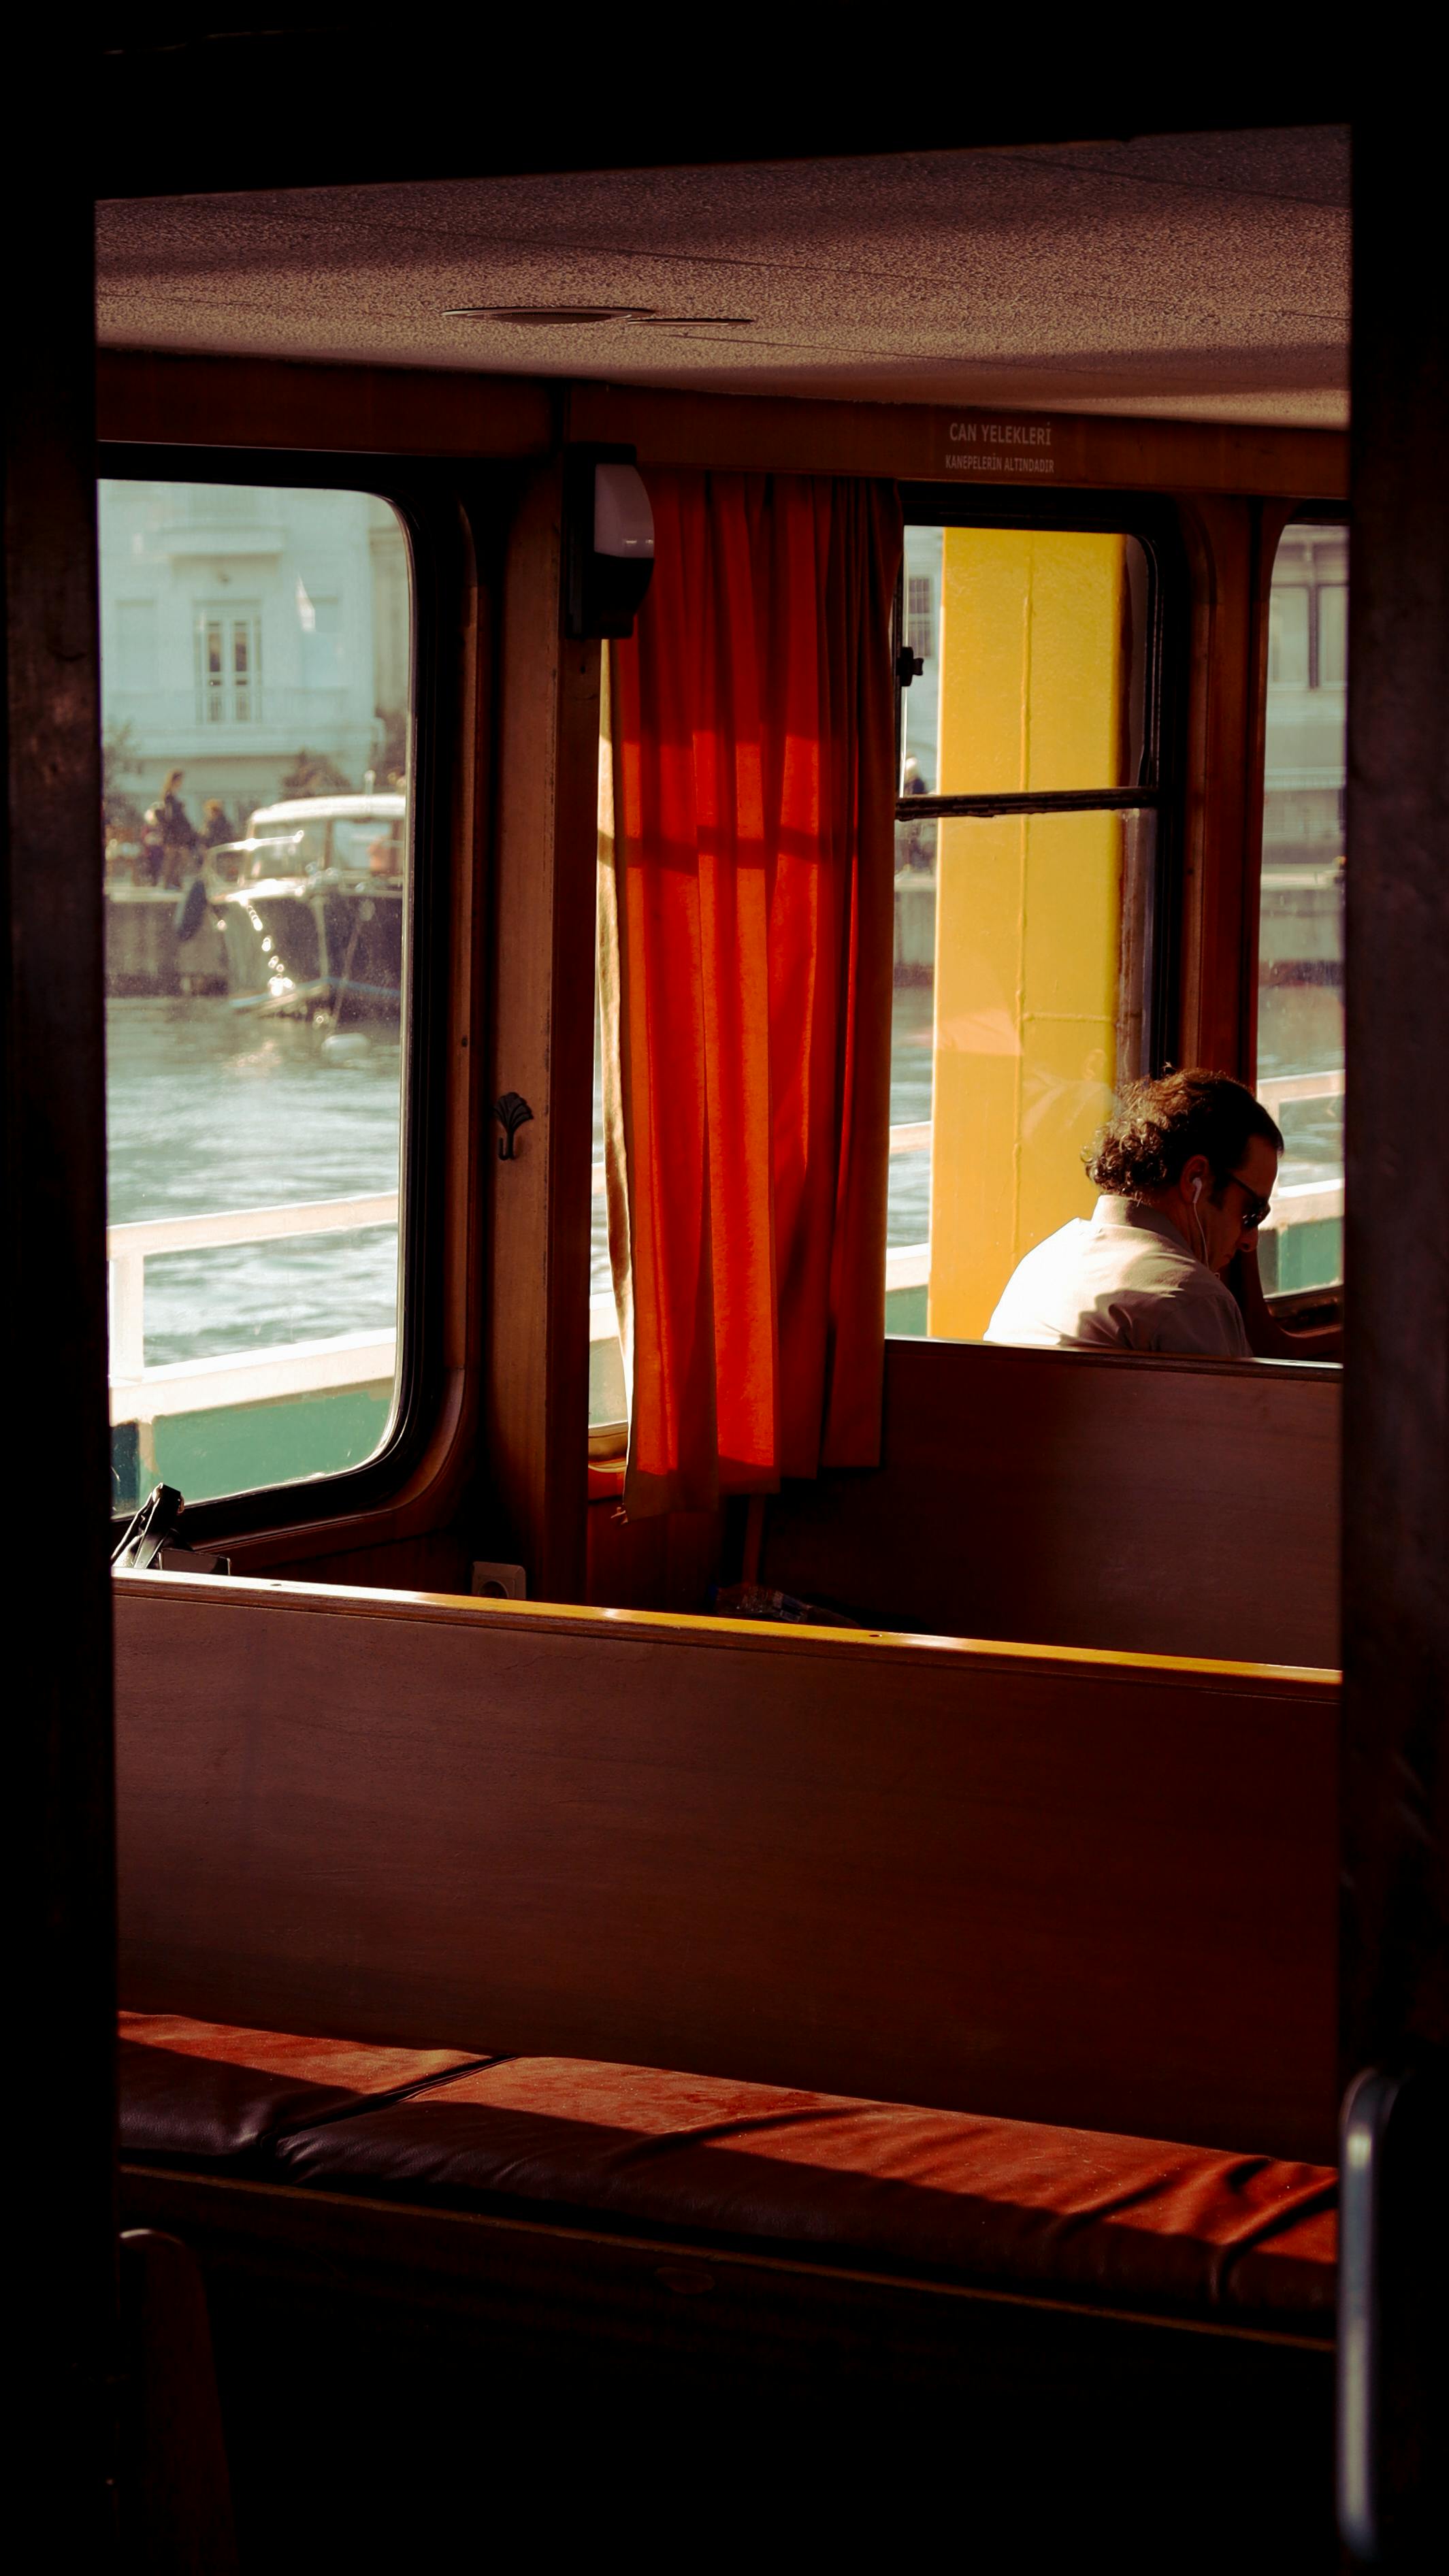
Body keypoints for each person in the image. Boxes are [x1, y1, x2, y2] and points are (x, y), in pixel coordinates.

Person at [984, 1069, 1283, 1358]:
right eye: (1253, 1211)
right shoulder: (1190, 1298)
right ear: (1196, 1178)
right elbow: (1229, 1410)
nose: (1250, 1239)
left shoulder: (1044, 1261)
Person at [157, 768, 195, 889]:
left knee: (177, 858)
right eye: (180, 780)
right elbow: (170, 816)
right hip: (173, 832)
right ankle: (168, 882)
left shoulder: (173, 794)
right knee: (173, 857)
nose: (181, 783)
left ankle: (173, 881)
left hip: (176, 832)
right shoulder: (169, 795)